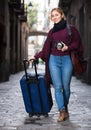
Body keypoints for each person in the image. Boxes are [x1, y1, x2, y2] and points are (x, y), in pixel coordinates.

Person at [29, 7, 84, 122]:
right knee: (58, 87)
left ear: (62, 15)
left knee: (66, 88)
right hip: (54, 60)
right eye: (52, 16)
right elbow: (45, 49)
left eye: (56, 15)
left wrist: (68, 47)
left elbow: (77, 43)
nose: (54, 17)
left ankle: (65, 106)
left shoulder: (71, 29)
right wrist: (35, 57)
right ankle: (62, 110)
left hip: (66, 60)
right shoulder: (51, 32)